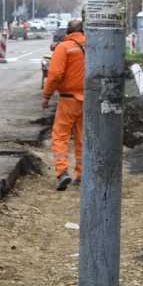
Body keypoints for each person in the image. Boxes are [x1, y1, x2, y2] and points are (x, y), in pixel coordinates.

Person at [43, 18, 86, 191]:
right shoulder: (93, 46)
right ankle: (82, 174)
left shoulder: (64, 47)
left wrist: (46, 96)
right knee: (83, 138)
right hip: (88, 100)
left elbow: (55, 75)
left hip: (68, 100)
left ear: (67, 32)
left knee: (60, 136)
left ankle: (62, 172)